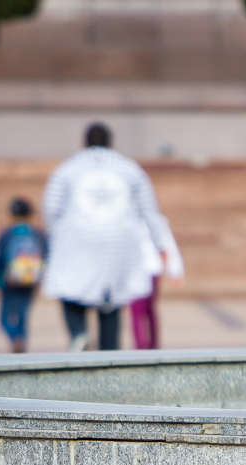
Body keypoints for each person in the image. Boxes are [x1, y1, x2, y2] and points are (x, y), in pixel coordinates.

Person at [42, 122, 171, 351]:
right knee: (111, 300)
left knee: (70, 289)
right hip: (119, 243)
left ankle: (79, 333)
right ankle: (109, 351)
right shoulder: (130, 168)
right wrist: (161, 245)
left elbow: (51, 209)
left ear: (84, 142)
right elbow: (150, 211)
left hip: (77, 238)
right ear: (112, 141)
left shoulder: (67, 168)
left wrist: (55, 240)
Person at [0, 197, 47, 353]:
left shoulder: (7, 234)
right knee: (23, 314)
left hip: (10, 282)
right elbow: (45, 255)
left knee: (4, 317)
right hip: (31, 281)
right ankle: (21, 341)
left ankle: (14, 338)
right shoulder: (38, 234)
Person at [129, 214, 183, 349]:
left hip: (152, 269)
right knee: (137, 310)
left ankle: (153, 344)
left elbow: (168, 245)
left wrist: (175, 271)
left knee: (149, 309)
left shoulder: (157, 221)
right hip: (135, 270)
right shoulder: (128, 218)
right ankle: (141, 345)